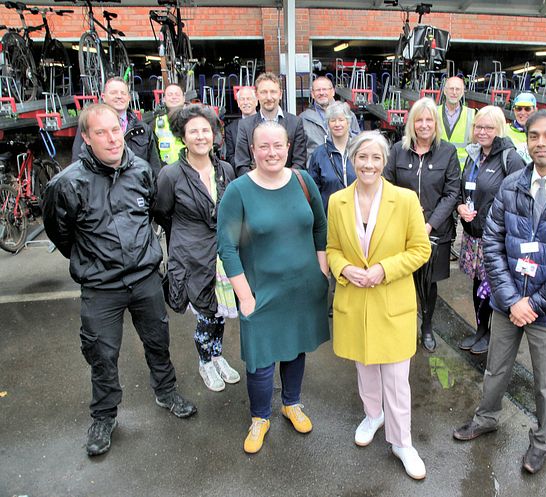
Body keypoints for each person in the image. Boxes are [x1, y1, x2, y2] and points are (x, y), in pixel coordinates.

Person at [42, 103, 197, 457]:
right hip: (101, 286)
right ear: (86, 138)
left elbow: (155, 214)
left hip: (144, 278)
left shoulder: (142, 170)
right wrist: (92, 261)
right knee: (101, 353)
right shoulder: (67, 184)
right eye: (101, 132)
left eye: (115, 130)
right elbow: (60, 234)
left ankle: (166, 390)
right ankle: (104, 415)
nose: (112, 139)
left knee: (158, 339)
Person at [452, 109, 546, 475]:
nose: (541, 143)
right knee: (495, 370)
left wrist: (532, 304)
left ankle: (541, 443)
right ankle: (486, 418)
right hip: (507, 304)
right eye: (534, 136)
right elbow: (493, 241)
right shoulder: (513, 183)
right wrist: (509, 298)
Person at [217, 121, 329, 454]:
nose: (271, 152)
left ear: (288, 147)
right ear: (252, 150)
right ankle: (259, 417)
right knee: (261, 360)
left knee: (296, 349)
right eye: (263, 146)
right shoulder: (238, 190)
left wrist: (321, 271)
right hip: (261, 292)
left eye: (278, 145)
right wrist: (245, 297)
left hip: (303, 288)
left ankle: (291, 403)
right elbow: (227, 248)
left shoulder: (302, 181)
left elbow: (320, 228)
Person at [327, 131, 431, 480]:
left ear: (384, 162)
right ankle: (373, 415)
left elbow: (421, 249)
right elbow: (332, 250)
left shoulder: (404, 199)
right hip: (355, 301)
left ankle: (402, 442)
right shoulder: (338, 201)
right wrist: (345, 269)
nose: (368, 164)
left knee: (398, 379)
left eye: (375, 158)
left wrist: (384, 270)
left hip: (392, 302)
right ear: (352, 160)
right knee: (365, 368)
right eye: (362, 157)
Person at [153, 104, 240, 392]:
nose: (201, 136)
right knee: (205, 315)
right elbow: (163, 213)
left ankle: (217, 355)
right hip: (191, 258)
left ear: (214, 134)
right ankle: (205, 361)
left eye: (206, 130)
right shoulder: (171, 174)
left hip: (221, 256)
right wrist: (184, 239)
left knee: (219, 313)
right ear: (183, 136)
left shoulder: (225, 169)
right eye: (194, 131)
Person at [383, 97, 460, 352]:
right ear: (411, 123)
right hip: (400, 231)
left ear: (436, 123)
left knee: (428, 283)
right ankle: (400, 326)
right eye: (419, 120)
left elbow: (452, 193)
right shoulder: (397, 150)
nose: (424, 125)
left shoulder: (447, 152)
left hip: (434, 232)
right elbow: (387, 187)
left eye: (429, 120)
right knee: (399, 280)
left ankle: (426, 327)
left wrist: (428, 226)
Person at [456, 106, 525, 355]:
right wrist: (461, 205)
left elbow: (520, 200)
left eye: (488, 127)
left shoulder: (509, 157)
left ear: (499, 129)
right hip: (474, 235)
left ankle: (492, 335)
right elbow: (465, 189)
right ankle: (480, 330)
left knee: (492, 287)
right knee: (477, 286)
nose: (482, 132)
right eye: (478, 127)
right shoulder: (475, 154)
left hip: (495, 238)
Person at [71, 77, 160, 174]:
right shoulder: (90, 125)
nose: (119, 96)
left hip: (135, 187)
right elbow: (77, 163)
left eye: (123, 93)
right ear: (103, 97)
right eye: (113, 93)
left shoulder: (143, 129)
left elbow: (154, 168)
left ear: (129, 98)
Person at [233, 72, 307, 175]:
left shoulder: (295, 123)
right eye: (264, 92)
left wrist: (281, 181)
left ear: (280, 94)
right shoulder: (245, 126)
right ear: (257, 95)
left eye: (273, 92)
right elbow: (241, 165)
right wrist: (261, 182)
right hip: (256, 188)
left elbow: (300, 163)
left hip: (287, 186)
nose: (269, 97)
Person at [307, 101, 356, 213]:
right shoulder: (319, 154)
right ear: (328, 124)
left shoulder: (359, 151)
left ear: (348, 122)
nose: (337, 124)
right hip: (329, 216)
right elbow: (313, 193)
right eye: (333, 120)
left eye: (341, 120)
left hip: (357, 216)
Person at [300, 75, 360, 158]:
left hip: (345, 165)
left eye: (325, 89)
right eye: (318, 90)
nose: (321, 93)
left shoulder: (349, 114)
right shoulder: (303, 118)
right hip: (317, 167)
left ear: (333, 92)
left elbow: (358, 142)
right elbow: (301, 151)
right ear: (312, 94)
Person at [506, 92, 546, 163]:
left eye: (527, 109)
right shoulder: (504, 130)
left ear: (535, 110)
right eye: (518, 108)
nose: (522, 113)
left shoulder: (544, 131)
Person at [437, 76, 475, 170]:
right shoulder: (433, 112)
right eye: (451, 89)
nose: (454, 92)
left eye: (457, 89)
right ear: (445, 91)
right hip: (437, 168)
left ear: (462, 92)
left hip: (461, 170)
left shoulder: (472, 114)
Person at [223, 86, 257, 169]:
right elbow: (230, 156)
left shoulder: (266, 122)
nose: (245, 102)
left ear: (256, 101)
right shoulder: (230, 128)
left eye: (249, 99)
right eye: (242, 99)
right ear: (238, 103)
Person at [153, 83, 187, 166]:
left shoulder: (193, 119)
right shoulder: (157, 122)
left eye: (177, 94)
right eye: (170, 94)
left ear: (184, 98)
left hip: (190, 168)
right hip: (165, 170)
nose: (174, 97)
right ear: (164, 99)